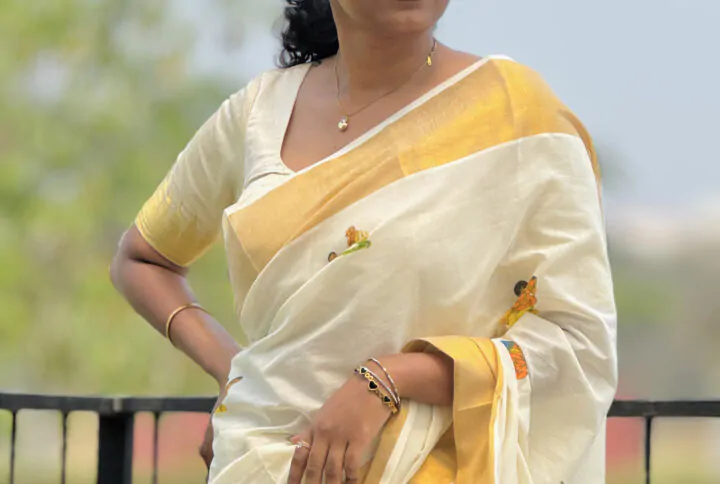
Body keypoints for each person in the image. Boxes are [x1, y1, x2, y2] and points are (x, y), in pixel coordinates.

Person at [110, 0, 617, 482]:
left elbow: (579, 340)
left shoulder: (516, 117)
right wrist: (234, 373)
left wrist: (389, 380)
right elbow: (142, 259)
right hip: (257, 462)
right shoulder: (258, 115)